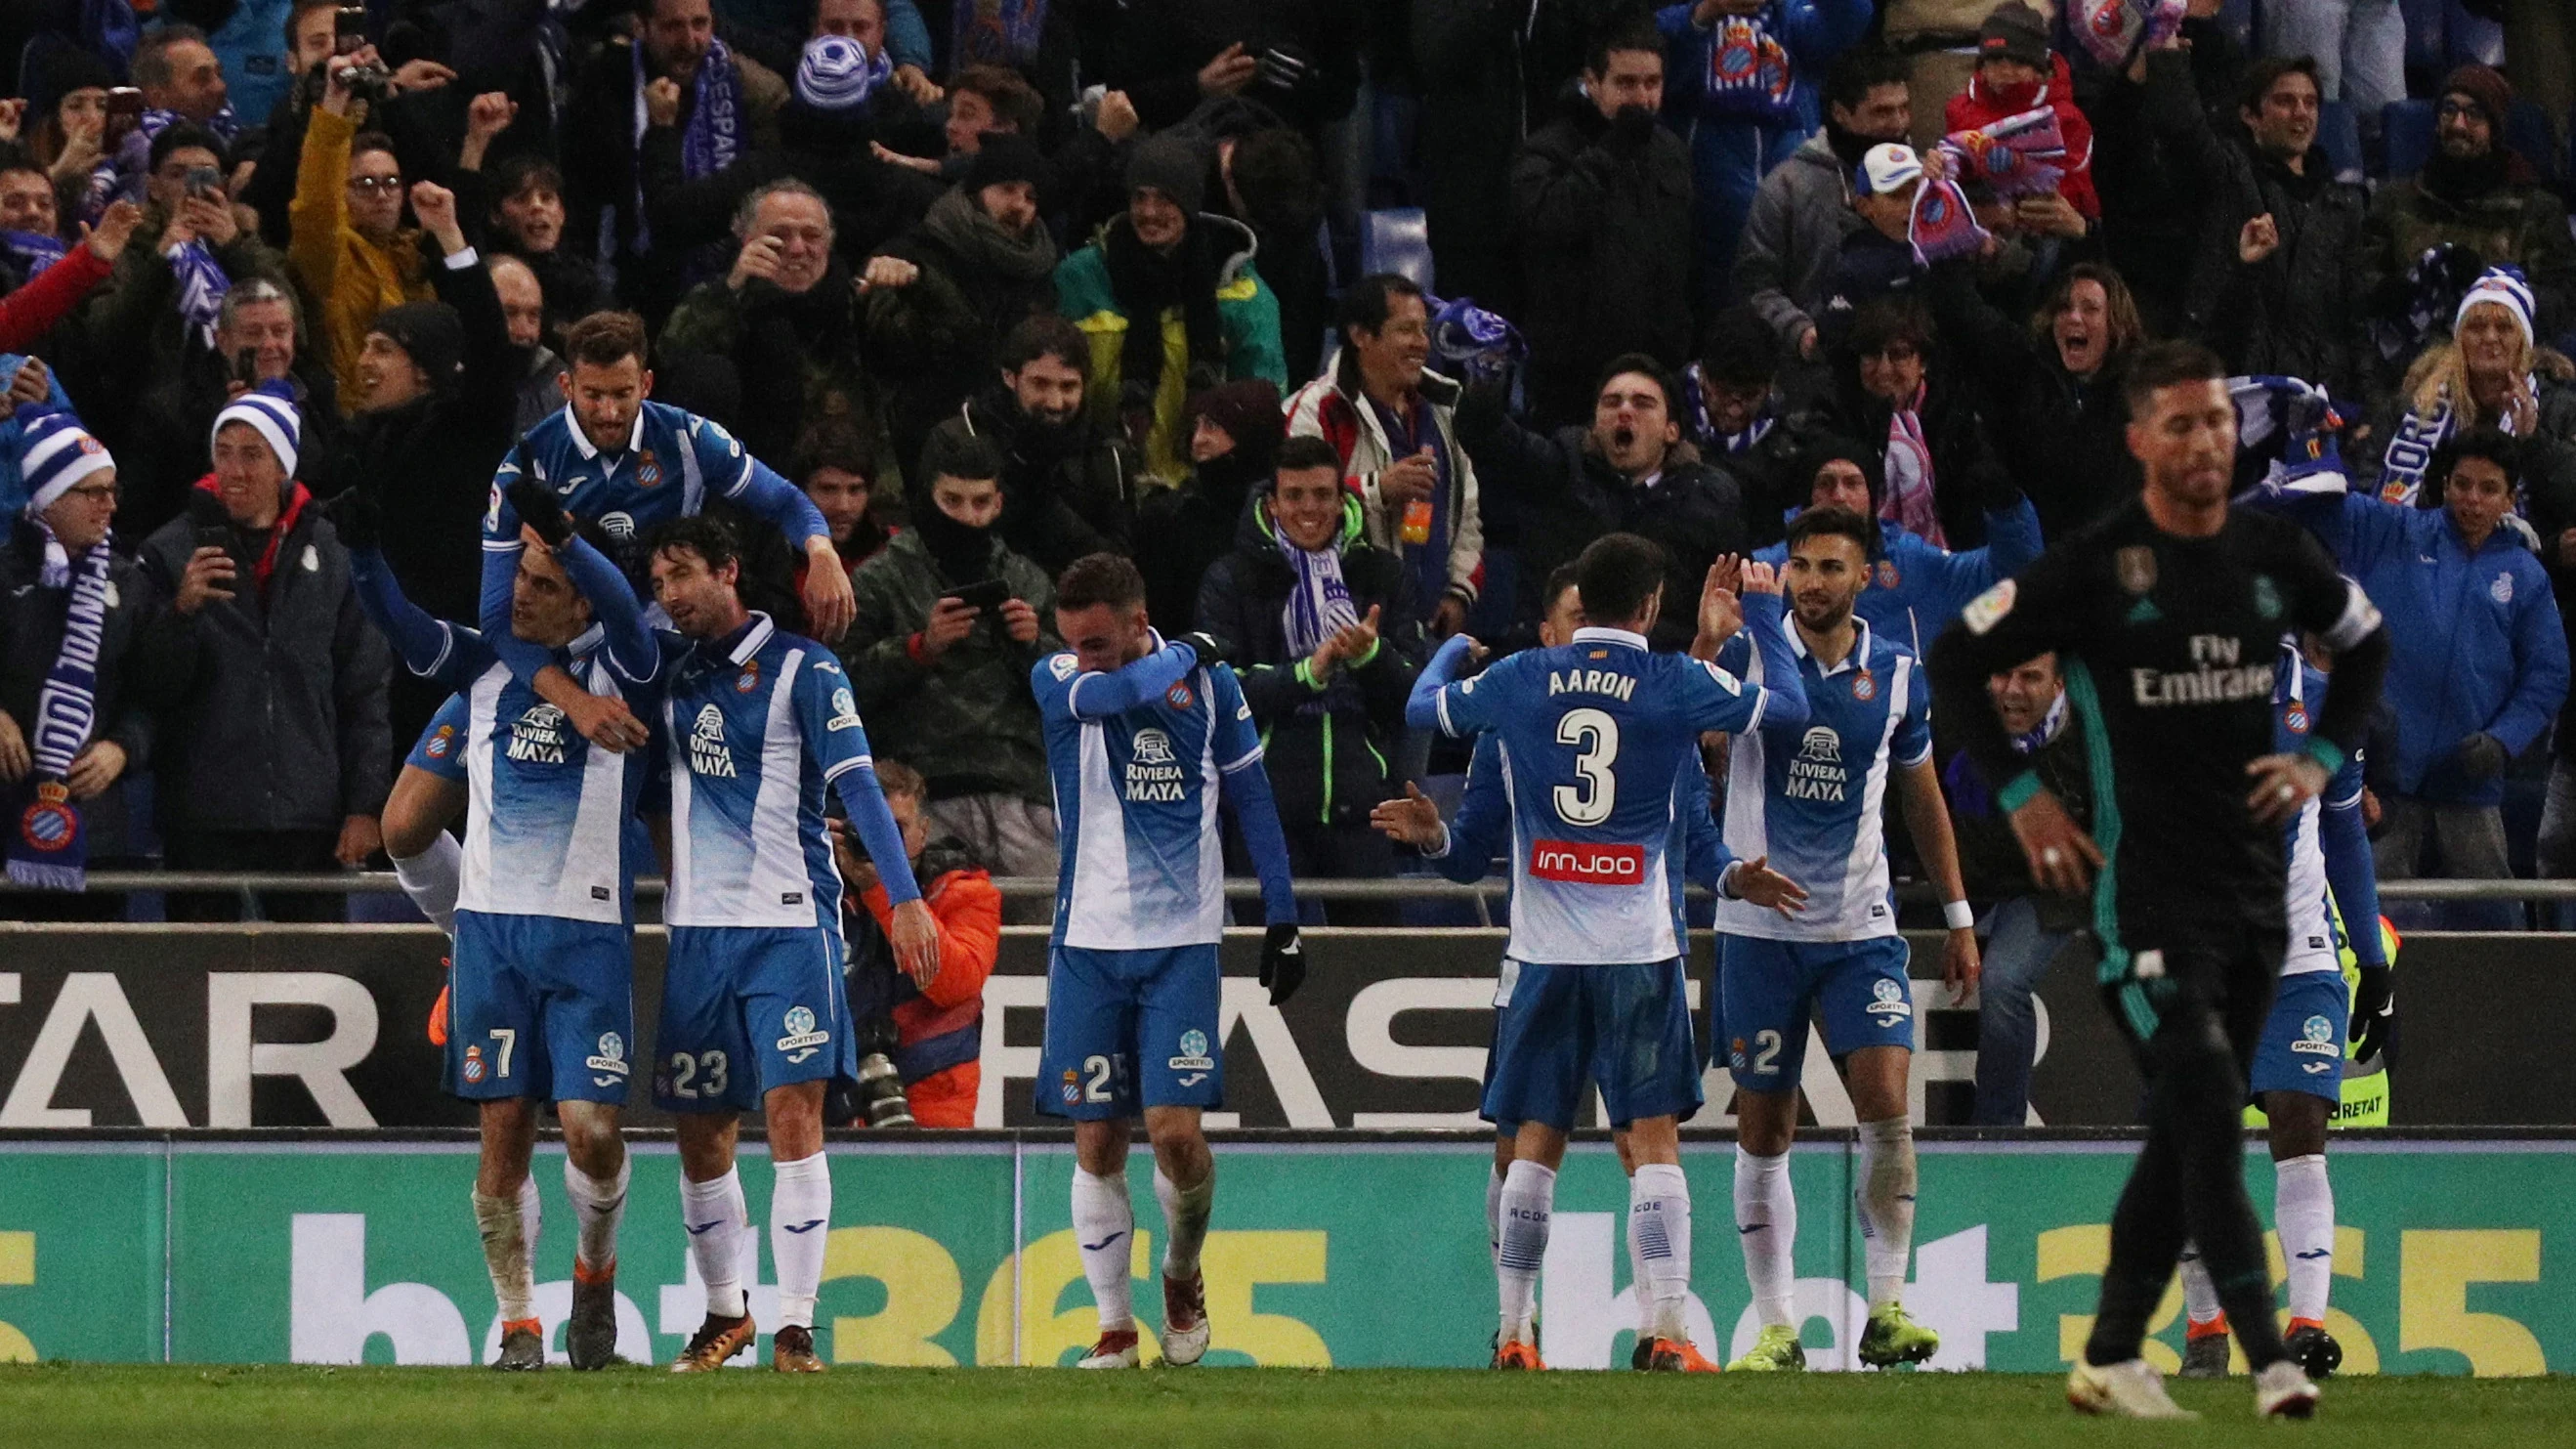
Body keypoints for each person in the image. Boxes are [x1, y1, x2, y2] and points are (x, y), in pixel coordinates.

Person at [1927, 339, 2391, 1420]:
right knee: (2204, 1102)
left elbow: (2365, 647)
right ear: (2139, 441)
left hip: (2258, 917)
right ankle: (2274, 1353)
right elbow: (1956, 654)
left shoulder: (2274, 557)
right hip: (2144, 901)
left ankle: (2109, 1348)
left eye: (2220, 424)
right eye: (2180, 425)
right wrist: (2023, 798)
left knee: (2193, 1119)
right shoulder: (2095, 566)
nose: (2204, 443)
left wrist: (2323, 756)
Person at [1372, 561, 1807, 1373]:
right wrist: (1762, 610)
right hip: (1635, 954)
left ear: (1579, 614)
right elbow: (1786, 706)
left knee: (1534, 1144)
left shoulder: (1519, 685)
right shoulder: (1672, 687)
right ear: (1651, 603)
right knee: (1647, 1140)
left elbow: (1416, 707)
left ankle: (1517, 1333)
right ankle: (1665, 1328)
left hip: (1543, 954)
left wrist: (1445, 655)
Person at [605, 513, 935, 1373]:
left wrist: (902, 897)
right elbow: (647, 793)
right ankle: (725, 1313)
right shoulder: (668, 675)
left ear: (729, 569)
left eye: (682, 575)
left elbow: (856, 783)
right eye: (659, 580)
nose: (668, 594)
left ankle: (795, 1325)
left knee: (794, 1117)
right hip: (702, 938)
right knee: (700, 1130)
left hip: (789, 925)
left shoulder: (804, 669)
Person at [1703, 508, 1972, 1371]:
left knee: (1888, 1109)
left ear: (1866, 578)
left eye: (1830, 567)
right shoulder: (1748, 651)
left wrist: (1958, 915)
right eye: (1800, 567)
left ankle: (1888, 1308)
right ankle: (1776, 1325)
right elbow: (1699, 743)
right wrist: (1709, 649)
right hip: (1758, 930)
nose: (1812, 581)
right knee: (1762, 1127)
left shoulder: (1896, 674)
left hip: (1859, 926)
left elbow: (1922, 796)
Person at [1034, 552, 1301, 1370]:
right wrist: (1187, 648)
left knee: (1175, 1134)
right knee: (1095, 1134)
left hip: (1181, 943)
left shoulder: (1214, 690)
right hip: (1085, 944)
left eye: (1101, 641)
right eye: (1075, 642)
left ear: (1136, 617)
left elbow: (1252, 798)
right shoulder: (1062, 677)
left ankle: (1182, 1271)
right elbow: (1118, 691)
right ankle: (1114, 1327)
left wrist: (1283, 920)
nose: (1086, 656)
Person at [414, 484, 659, 1372]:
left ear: (583, 596)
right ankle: (519, 1323)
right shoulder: (485, 675)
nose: (520, 593)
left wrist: (564, 532)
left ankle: (595, 1281)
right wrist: (364, 558)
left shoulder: (625, 666)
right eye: (517, 575)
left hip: (587, 935)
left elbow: (631, 610)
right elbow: (406, 634)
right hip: (493, 938)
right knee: (503, 1128)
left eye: (545, 581)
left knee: (592, 1130)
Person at [478, 309, 849, 755]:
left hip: (670, 642)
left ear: (647, 385)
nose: (609, 412)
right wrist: (576, 702)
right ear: (566, 387)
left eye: (623, 394)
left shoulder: (688, 438)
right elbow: (496, 616)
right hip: (570, 647)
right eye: (593, 395)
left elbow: (784, 500)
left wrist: (822, 553)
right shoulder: (527, 462)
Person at [2175, 639, 2391, 1385]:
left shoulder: (2328, 702)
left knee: (2299, 1124)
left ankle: (2305, 1328)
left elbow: (2342, 830)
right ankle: (2204, 1329)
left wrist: (2370, 958)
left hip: (2298, 951)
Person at [2250, 426, 2568, 924]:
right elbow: (2314, 502)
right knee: (2370, 921)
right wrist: (2311, 446)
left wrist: (2504, 742)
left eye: (2488, 489)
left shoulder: (2525, 575)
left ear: (2510, 497)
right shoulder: (2393, 531)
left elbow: (2549, 673)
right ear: (2444, 484)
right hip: (2386, 785)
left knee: (2496, 932)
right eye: (2462, 484)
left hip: (2470, 783)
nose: (2472, 500)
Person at [139, 383, 392, 922]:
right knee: (199, 985)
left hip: (309, 819)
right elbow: (148, 687)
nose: (234, 470)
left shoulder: (335, 551)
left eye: (252, 454)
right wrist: (180, 615)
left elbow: (364, 689)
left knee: (308, 983)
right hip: (203, 817)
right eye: (223, 453)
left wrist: (366, 806)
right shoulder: (169, 552)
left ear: (284, 466)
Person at [325, 182, 519, 754]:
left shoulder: (466, 431)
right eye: (366, 346)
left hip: (446, 674)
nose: (365, 362)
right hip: (361, 677)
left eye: (385, 349)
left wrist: (451, 240)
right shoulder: (354, 443)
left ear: (430, 370)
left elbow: (488, 347)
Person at [1193, 435, 1423, 913]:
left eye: (1321, 495)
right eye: (1294, 496)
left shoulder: (1382, 574)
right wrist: (1307, 675)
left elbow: (1415, 699)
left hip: (1365, 808)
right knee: (1268, 977)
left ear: (1342, 501)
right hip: (1262, 808)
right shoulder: (1229, 578)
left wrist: (1368, 657)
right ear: (1272, 504)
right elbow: (1218, 691)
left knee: (1373, 976)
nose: (1308, 508)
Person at [844, 421, 1062, 893]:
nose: (969, 516)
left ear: (999, 502)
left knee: (1045, 940)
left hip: (1021, 789)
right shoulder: (879, 580)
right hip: (922, 788)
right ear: (927, 499)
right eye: (953, 501)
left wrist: (1034, 648)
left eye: (982, 502)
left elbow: (1074, 691)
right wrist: (920, 649)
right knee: (929, 950)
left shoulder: (1029, 581)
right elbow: (842, 690)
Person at [1457, 352, 1745, 652]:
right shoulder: (1560, 466)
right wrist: (1485, 380)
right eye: (1611, 402)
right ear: (1595, 424)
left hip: (1660, 670)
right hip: (1553, 664)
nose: (1624, 411)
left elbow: (1732, 596)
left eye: (1642, 403)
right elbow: (1485, 434)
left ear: (1671, 431)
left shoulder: (1709, 497)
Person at [0, 408, 163, 919]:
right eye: (91, 492)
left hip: (97, 834)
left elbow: (155, 694)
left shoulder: (130, 583)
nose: (108, 505)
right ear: (50, 498)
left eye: (111, 490)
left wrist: (123, 748)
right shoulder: (3, 575)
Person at [1055, 132, 1288, 484]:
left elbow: (1261, 409)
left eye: (1166, 199)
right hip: (1107, 483)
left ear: (1190, 204)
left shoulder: (1240, 291)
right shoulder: (1081, 279)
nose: (1149, 212)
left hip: (1206, 490)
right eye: (1140, 197)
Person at [2145, 48, 2370, 402]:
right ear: (2250, 115)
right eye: (2285, 101)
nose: (2301, 113)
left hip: (2323, 401)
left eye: (2310, 103)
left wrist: (2367, 407)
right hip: (2241, 392)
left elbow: (2358, 319)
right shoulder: (2229, 177)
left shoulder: (2345, 205)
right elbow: (2182, 128)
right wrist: (2165, 49)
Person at [658, 178, 912, 486]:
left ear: (829, 242)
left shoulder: (862, 303)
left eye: (811, 235)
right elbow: (670, 360)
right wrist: (733, 289)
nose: (796, 249)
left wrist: (918, 286)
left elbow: (936, 343)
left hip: (848, 493)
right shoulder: (718, 300)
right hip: (746, 489)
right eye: (779, 236)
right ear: (745, 239)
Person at [1512, 14, 1695, 428]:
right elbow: (1549, 222)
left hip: (1655, 370)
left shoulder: (1672, 153)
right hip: (1572, 379)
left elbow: (1681, 261)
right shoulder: (1546, 151)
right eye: (1626, 84)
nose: (1642, 98)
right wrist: (1609, 152)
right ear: (1592, 82)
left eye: (1652, 84)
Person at [563, 0, 788, 322]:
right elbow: (582, 188)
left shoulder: (752, 90)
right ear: (642, 26)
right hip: (626, 273)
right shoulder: (604, 81)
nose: (690, 41)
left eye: (700, 24)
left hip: (725, 274)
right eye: (673, 27)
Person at [1284, 274, 1483, 638]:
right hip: (1342, 630)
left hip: (1427, 628)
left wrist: (1458, 592)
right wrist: (1378, 489)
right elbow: (1293, 511)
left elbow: (1466, 511)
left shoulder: (1443, 407)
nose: (1421, 344)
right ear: (1361, 335)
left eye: (1423, 330)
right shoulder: (1317, 411)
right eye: (1406, 330)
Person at [1948, 649, 2091, 1127]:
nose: (2012, 690)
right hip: (1957, 884)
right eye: (2003, 673)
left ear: (2059, 686)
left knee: (2004, 982)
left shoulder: (2093, 743)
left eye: (2030, 677)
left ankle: (1998, 1135)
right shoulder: (1954, 723)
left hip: (2047, 892)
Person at [1655, 0, 1875, 309]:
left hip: (1793, 175)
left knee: (1801, 287)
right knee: (1719, 297)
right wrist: (1706, 11)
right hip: (1708, 184)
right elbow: (1652, 46)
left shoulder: (1792, 17)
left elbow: (1850, 18)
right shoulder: (1688, 17)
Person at [1754, 436, 2043, 655]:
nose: (1840, 495)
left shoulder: (1911, 562)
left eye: (1853, 483)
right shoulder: (1766, 573)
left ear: (1872, 497)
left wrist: (2008, 511)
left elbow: (2008, 583)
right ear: (1807, 495)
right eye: (1826, 484)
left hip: (1905, 727)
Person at [832, 757, 1002, 1129]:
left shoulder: (966, 891)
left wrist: (879, 890)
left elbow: (955, 984)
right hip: (837, 1096)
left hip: (935, 1097)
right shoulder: (816, 892)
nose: (882, 842)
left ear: (924, 833)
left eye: (895, 828)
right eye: (869, 828)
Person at [1924, 259, 2144, 540]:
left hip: (2106, 558)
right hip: (2029, 557)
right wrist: (1951, 249)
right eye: (2064, 308)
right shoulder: (2026, 367)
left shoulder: (2142, 391)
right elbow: (1961, 312)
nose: (2074, 317)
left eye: (2090, 309)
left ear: (2116, 325)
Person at [2361, 64, 2576, 350]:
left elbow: (2563, 302)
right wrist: (2392, 292)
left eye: (2474, 114)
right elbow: (2359, 278)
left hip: (2505, 364)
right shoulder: (2393, 200)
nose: (2458, 124)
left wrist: (2489, 286)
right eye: (2449, 110)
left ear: (2494, 128)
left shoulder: (2536, 210)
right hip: (2407, 368)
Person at [866, 134, 1059, 450]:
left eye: (1030, 197)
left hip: (1012, 439)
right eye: (1007, 189)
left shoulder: (1037, 269)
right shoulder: (914, 255)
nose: (1019, 205)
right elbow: (889, 351)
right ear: (974, 192)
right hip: (928, 438)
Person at [1738, 46, 1912, 367]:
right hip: (1817, 370)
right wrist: (1802, 333)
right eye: (1882, 112)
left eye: (1904, 109)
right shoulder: (1787, 186)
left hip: (1906, 367)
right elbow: (1756, 286)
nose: (1898, 123)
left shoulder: (1923, 179)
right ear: (1841, 113)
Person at [288, 48, 434, 406]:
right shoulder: (332, 259)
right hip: (357, 420)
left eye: (391, 183)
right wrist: (334, 104)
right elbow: (316, 205)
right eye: (366, 185)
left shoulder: (416, 254)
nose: (382, 194)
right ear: (342, 191)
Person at [957, 315, 1138, 575]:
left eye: (1068, 386)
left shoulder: (1107, 453)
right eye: (1040, 384)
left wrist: (1044, 503)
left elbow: (1120, 565)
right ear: (1010, 377)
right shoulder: (970, 438)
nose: (1055, 402)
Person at [1830, 296, 2007, 549]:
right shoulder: (1839, 420)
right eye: (1871, 353)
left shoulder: (1959, 422)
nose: (1883, 369)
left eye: (1899, 354)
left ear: (1923, 362)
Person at [1138, 377, 1283, 635]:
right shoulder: (1169, 516)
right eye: (1197, 426)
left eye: (1212, 426)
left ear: (1249, 432)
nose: (1198, 439)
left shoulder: (1284, 513)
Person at [1942, 4, 2099, 222]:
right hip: (1977, 220)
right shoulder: (1959, 109)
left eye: (2018, 62)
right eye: (1996, 61)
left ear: (2038, 69)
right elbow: (1954, 172)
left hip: (2042, 221)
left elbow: (2078, 188)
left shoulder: (2066, 117)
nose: (2006, 71)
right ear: (1983, 66)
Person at [795, 416, 896, 584]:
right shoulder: (775, 561)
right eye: (828, 489)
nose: (843, 506)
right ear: (800, 490)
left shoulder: (895, 552)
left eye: (855, 490)